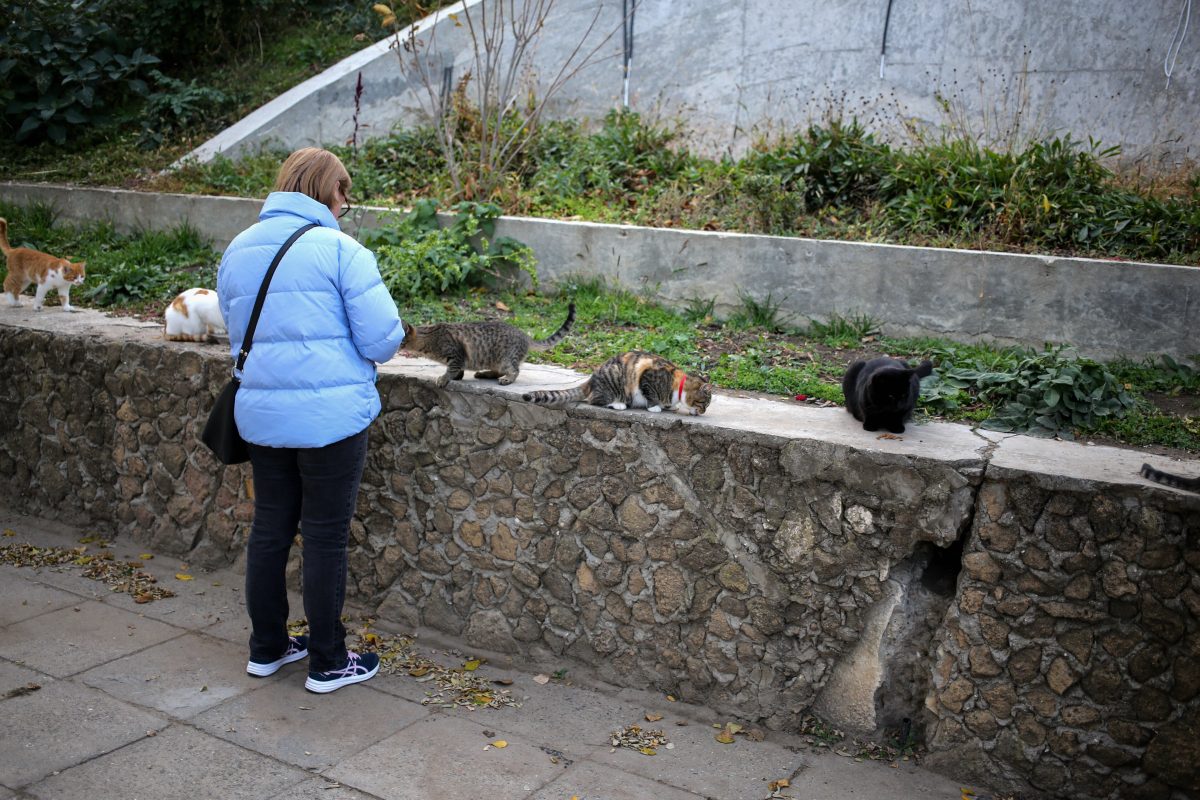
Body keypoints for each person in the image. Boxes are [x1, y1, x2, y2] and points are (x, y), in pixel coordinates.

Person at [217, 147, 406, 693]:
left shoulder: (238, 248)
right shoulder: (341, 250)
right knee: (324, 538)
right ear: (331, 191)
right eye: (345, 194)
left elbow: (235, 330)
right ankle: (328, 661)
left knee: (270, 529)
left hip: (263, 413)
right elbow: (382, 339)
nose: (347, 206)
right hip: (331, 419)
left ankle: (267, 648)